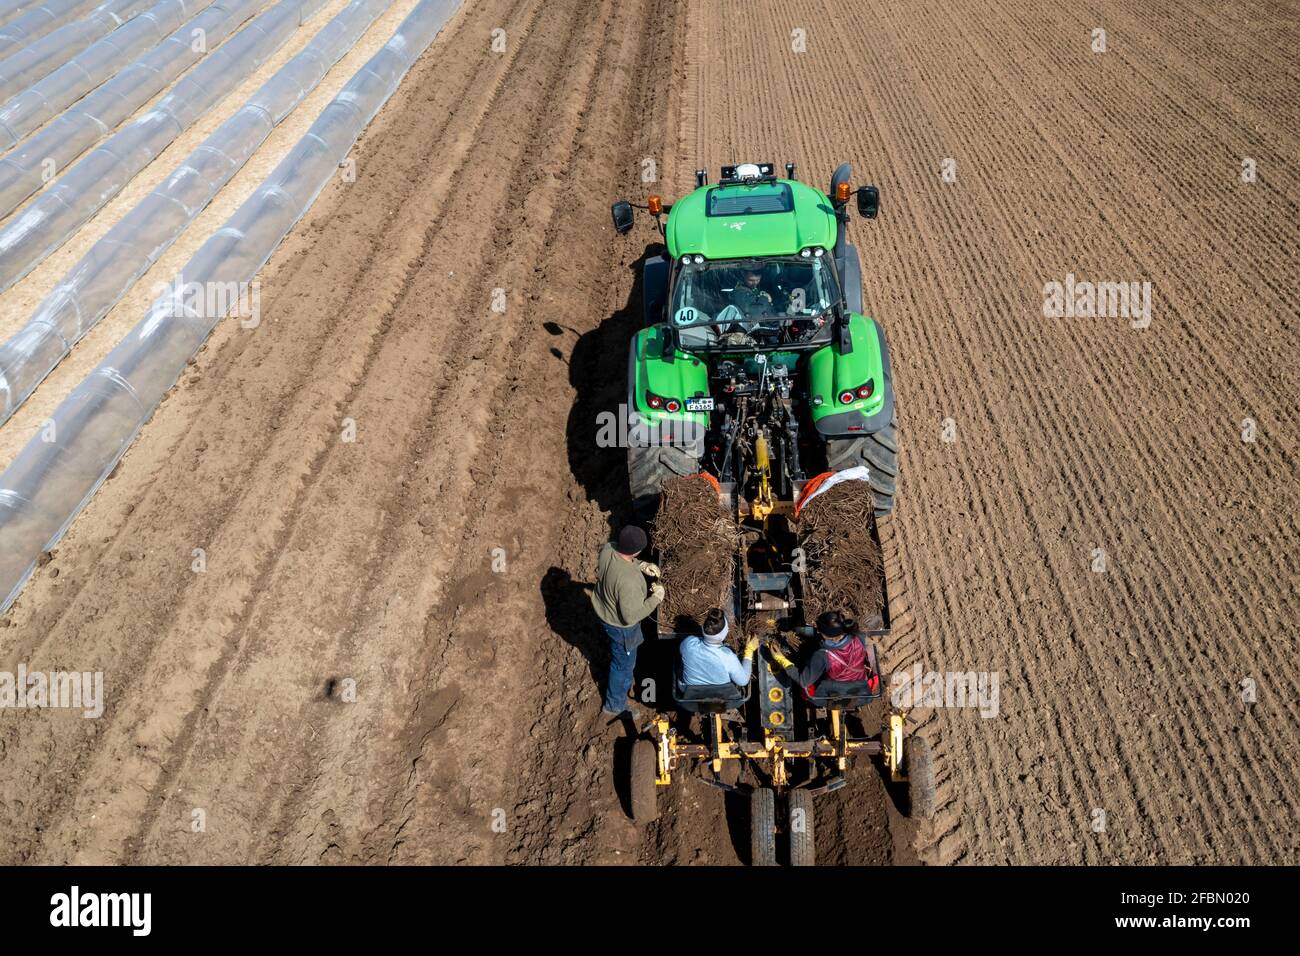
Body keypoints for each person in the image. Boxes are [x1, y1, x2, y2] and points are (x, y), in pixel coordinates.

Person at [591, 525, 664, 717]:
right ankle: (614, 705)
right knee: (623, 665)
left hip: (604, 609)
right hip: (621, 628)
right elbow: (630, 616)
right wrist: (656, 598)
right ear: (636, 550)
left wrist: (640, 564)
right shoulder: (628, 581)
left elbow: (621, 557)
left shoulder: (608, 549)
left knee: (620, 658)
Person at [767, 610, 879, 699]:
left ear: (826, 634)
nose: (818, 631)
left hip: (833, 693)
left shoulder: (822, 656)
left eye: (820, 630)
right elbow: (820, 635)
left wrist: (782, 659)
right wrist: (799, 630)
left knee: (804, 660)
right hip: (859, 686)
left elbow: (803, 681)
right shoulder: (858, 636)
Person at [678, 608, 759, 691]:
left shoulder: (688, 644)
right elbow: (743, 681)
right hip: (721, 698)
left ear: (703, 629)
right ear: (724, 633)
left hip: (690, 696)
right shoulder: (728, 657)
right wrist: (749, 651)